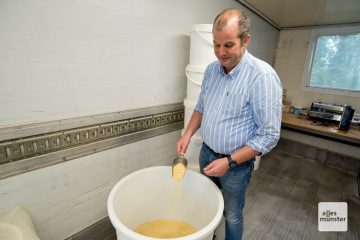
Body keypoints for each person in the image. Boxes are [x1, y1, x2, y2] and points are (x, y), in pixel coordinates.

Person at [176, 8, 282, 240]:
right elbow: (201, 106)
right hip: (206, 154)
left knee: (232, 214)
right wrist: (187, 133)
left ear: (245, 41)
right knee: (206, 204)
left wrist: (230, 161)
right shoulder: (212, 71)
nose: (220, 53)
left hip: (236, 164)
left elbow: (269, 136)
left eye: (228, 45)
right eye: (216, 44)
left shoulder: (262, 77)